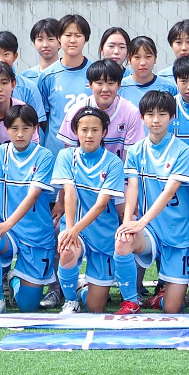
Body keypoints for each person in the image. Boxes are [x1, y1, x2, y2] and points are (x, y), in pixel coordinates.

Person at [114, 90, 189, 315]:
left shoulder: (182, 151)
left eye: (162, 114)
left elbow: (168, 193)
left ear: (172, 117)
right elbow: (132, 187)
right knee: (123, 240)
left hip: (179, 234)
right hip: (151, 230)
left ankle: (160, 299)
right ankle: (131, 301)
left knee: (172, 308)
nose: (156, 119)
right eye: (150, 114)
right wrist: (129, 219)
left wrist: (141, 222)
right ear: (142, 117)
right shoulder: (136, 150)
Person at [0, 103, 57, 315]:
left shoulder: (45, 156)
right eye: (14, 128)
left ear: (35, 129)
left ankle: (13, 278)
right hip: (8, 232)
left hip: (36, 235)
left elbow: (32, 197)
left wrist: (6, 223)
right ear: (7, 129)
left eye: (26, 128)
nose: (20, 133)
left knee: (27, 306)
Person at [52, 105, 125, 314]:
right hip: (76, 227)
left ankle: (82, 287)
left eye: (95, 130)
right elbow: (70, 192)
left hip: (103, 235)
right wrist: (71, 230)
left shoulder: (113, 163)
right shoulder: (67, 156)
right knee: (67, 249)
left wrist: (73, 230)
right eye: (84, 130)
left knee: (96, 307)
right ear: (76, 131)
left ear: (104, 132)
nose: (89, 135)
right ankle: (70, 300)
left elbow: (101, 204)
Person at [57, 59, 143, 161]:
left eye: (111, 83)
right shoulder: (76, 111)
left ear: (119, 85)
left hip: (117, 174)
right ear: (90, 84)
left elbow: (130, 157)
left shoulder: (131, 113)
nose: (105, 89)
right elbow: (70, 153)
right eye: (99, 83)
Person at [38, 13, 93, 139]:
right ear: (59, 38)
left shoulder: (96, 73)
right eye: (67, 35)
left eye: (78, 35)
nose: (72, 40)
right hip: (56, 151)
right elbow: (42, 118)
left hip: (89, 148)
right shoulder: (47, 76)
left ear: (86, 38)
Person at [120, 36, 178, 106]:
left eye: (148, 57)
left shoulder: (169, 87)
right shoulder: (120, 87)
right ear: (129, 59)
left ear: (155, 59)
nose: (143, 63)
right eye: (137, 57)